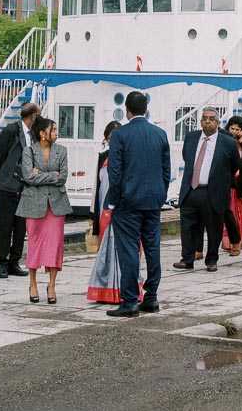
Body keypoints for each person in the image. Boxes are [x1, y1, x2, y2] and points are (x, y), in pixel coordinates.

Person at [105, 90, 171, 318]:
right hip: (153, 200)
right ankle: (151, 297)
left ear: (127, 109)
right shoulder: (160, 134)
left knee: (129, 250)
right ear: (145, 108)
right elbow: (166, 170)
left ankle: (130, 300)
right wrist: (160, 195)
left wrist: (114, 200)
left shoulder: (120, 135)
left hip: (128, 202)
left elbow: (115, 172)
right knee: (152, 249)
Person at [174, 107, 242, 273]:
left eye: (212, 118)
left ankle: (211, 259)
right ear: (200, 121)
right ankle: (187, 258)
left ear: (218, 123)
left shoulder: (227, 142)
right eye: (204, 118)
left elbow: (235, 165)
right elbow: (187, 157)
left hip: (213, 191)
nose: (208, 121)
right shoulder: (191, 137)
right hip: (191, 190)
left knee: (214, 228)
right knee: (188, 226)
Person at [17, 116, 70, 304]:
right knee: (35, 243)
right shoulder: (29, 151)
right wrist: (51, 175)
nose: (57, 133)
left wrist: (41, 175)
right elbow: (28, 177)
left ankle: (52, 285)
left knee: (55, 245)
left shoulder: (62, 151)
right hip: (34, 204)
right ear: (42, 134)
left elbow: (63, 177)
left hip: (56, 205)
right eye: (53, 130)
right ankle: (32, 283)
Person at [0, 102, 40, 278]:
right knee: (5, 226)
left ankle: (14, 262)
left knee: (20, 228)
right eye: (38, 114)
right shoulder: (11, 131)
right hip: (8, 185)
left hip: (25, 188)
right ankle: (1, 263)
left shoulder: (33, 135)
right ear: (33, 115)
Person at [87, 121, 135, 304]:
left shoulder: (129, 157)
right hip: (104, 210)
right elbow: (97, 186)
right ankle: (105, 288)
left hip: (123, 209)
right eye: (109, 139)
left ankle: (124, 289)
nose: (113, 142)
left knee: (123, 250)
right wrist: (92, 213)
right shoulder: (103, 157)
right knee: (106, 251)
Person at [221, 116, 242, 257]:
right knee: (229, 213)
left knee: (240, 215)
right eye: (232, 128)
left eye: (237, 129)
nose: (234, 132)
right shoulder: (224, 142)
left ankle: (239, 241)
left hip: (240, 185)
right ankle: (229, 242)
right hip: (227, 183)